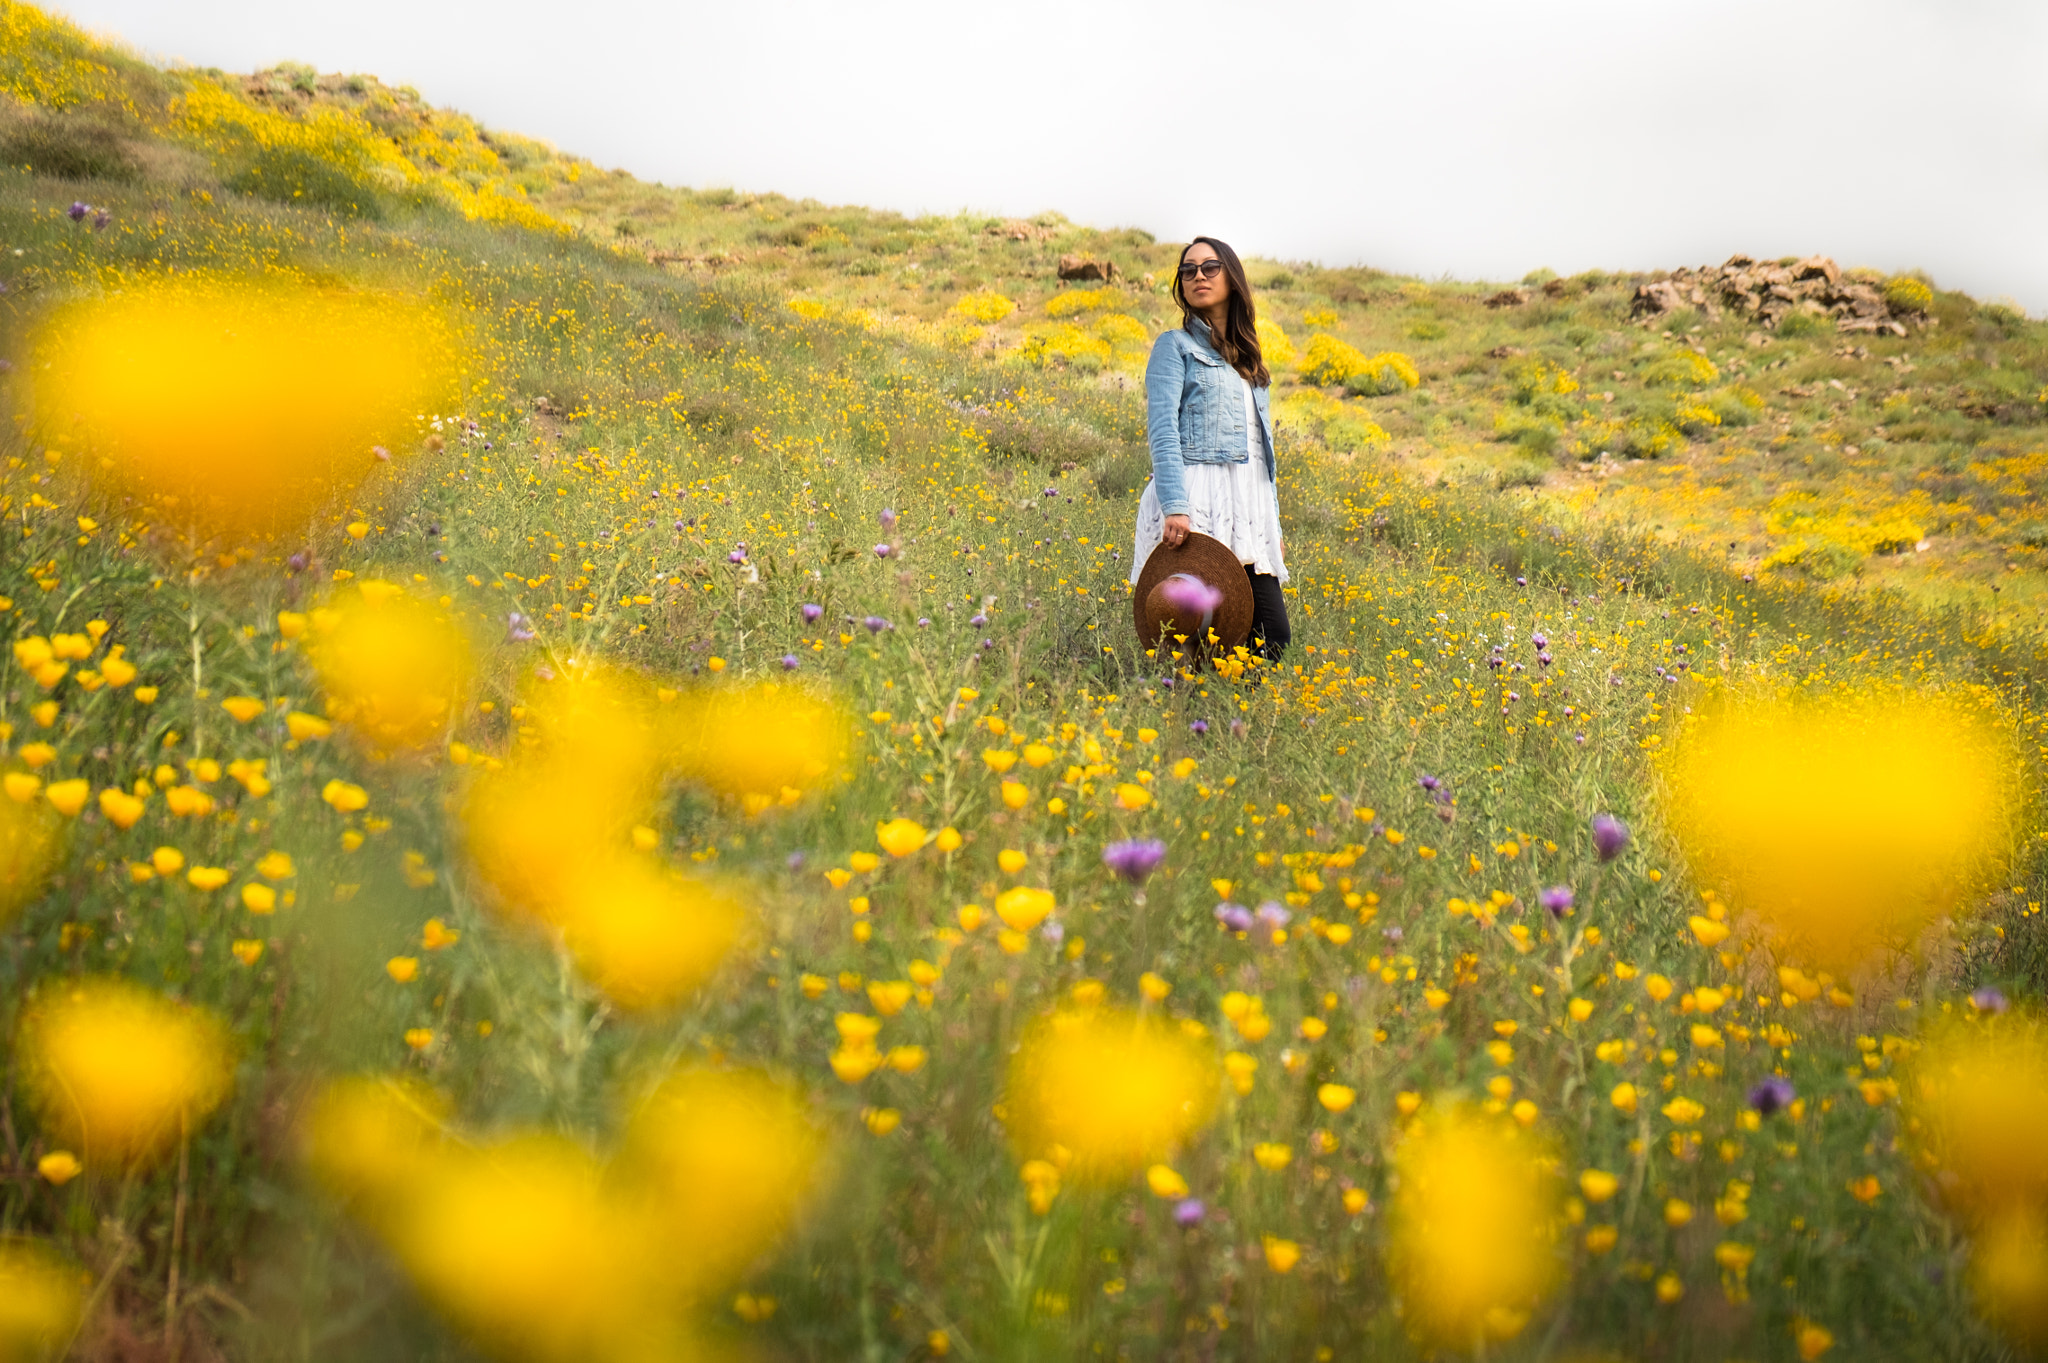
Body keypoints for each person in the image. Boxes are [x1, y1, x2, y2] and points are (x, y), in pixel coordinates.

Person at [1129, 236, 1289, 662]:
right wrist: (1175, 505)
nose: (1198, 276)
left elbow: (1261, 451)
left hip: (1248, 508)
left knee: (1270, 637)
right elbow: (1162, 432)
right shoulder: (1174, 346)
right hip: (1199, 502)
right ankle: (1193, 720)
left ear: (1232, 277)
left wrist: (1273, 525)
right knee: (1199, 640)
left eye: (1209, 267)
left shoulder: (1249, 360)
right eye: (1188, 270)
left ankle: (1236, 722)